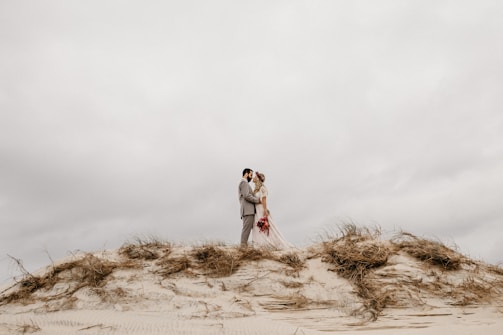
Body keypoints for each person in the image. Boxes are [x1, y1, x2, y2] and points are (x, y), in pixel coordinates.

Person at [251, 171, 293, 249]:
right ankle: (260, 244)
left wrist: (265, 210)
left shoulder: (262, 188)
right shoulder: (256, 189)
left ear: (258, 179)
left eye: (255, 177)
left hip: (261, 209)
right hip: (256, 210)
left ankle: (271, 243)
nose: (253, 178)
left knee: (265, 225)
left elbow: (264, 200)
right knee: (258, 226)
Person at [238, 168, 261, 246]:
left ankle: (244, 246)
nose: (251, 177)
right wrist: (258, 200)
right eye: (251, 175)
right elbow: (247, 196)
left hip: (248, 210)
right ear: (246, 174)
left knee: (247, 230)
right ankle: (243, 247)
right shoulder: (243, 183)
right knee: (246, 230)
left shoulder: (244, 183)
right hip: (247, 211)